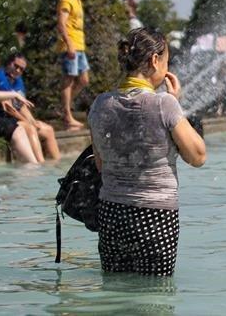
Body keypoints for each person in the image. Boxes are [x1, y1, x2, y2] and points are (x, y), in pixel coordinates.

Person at [88, 28, 206, 277]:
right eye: (166, 61)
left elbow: (100, 164)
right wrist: (176, 102)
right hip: (154, 216)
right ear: (154, 60)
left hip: (111, 214)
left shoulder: (100, 104)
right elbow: (197, 156)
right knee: (154, 297)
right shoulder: (165, 103)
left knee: (115, 292)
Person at [0, 54, 61, 161]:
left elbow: (22, 106)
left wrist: (32, 121)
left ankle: (57, 165)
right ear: (9, 63)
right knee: (30, 128)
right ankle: (40, 163)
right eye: (16, 66)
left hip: (17, 121)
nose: (18, 70)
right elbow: (8, 108)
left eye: (21, 69)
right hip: (3, 120)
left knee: (48, 130)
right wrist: (27, 122)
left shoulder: (18, 80)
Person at [57, 0, 94, 129]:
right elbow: (61, 23)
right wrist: (69, 44)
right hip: (71, 45)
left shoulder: (78, 1)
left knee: (84, 80)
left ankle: (63, 108)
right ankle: (67, 116)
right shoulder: (67, 0)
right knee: (69, 79)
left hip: (79, 46)